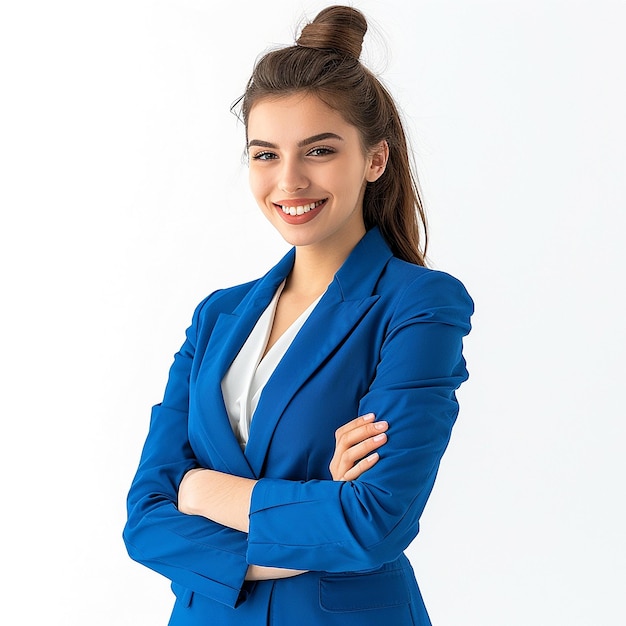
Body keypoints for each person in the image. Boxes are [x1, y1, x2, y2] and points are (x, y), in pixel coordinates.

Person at [123, 5, 473, 625]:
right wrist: (315, 511)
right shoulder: (218, 316)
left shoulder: (418, 305)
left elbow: (372, 523)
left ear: (374, 160)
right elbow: (147, 519)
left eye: (318, 151)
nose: (289, 181)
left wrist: (204, 491)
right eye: (265, 154)